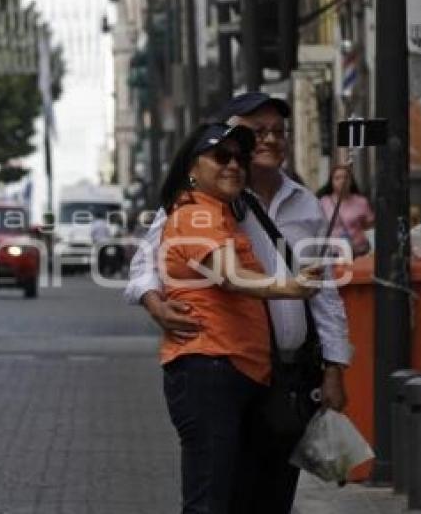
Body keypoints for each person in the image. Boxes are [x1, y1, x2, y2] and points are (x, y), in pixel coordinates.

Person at [126, 92, 352, 514]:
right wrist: (154, 303)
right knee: (222, 493)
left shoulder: (305, 203)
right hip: (226, 366)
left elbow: (326, 295)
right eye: (256, 132)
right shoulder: (211, 199)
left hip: (286, 373)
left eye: (278, 132)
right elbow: (148, 261)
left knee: (272, 494)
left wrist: (335, 366)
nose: (269, 140)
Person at [151, 122, 322, 513]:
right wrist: (291, 287)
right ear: (193, 168)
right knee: (210, 501)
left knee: (236, 497)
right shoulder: (196, 215)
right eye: (221, 156)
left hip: (238, 371)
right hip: (210, 368)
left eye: (240, 158)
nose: (234, 166)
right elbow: (230, 275)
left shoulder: (225, 213)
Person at [317, 165, 374, 256]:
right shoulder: (324, 202)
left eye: (346, 177)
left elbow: (370, 226)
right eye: (337, 178)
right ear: (331, 182)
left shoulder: (361, 202)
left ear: (351, 181)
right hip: (334, 254)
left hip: (358, 252)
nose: (342, 181)